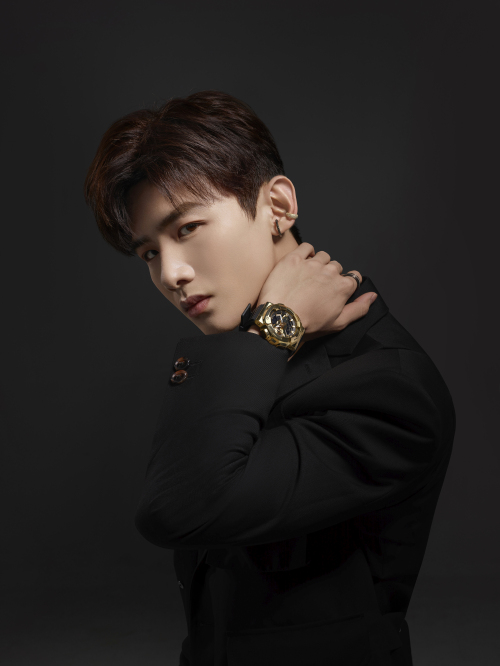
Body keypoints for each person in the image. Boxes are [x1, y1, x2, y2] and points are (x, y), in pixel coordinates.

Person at [84, 90, 456, 666]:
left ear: (278, 206)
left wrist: (273, 327)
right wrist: (270, 334)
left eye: (187, 227)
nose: (171, 273)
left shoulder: (388, 384)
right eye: (149, 254)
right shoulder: (251, 354)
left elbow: (178, 509)